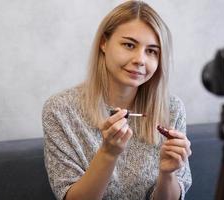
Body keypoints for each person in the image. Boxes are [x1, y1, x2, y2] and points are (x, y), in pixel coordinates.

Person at [42, 1, 192, 199]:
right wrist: (108, 153)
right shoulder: (60, 110)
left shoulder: (172, 109)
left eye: (151, 51)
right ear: (104, 43)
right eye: (129, 45)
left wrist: (168, 173)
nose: (140, 59)